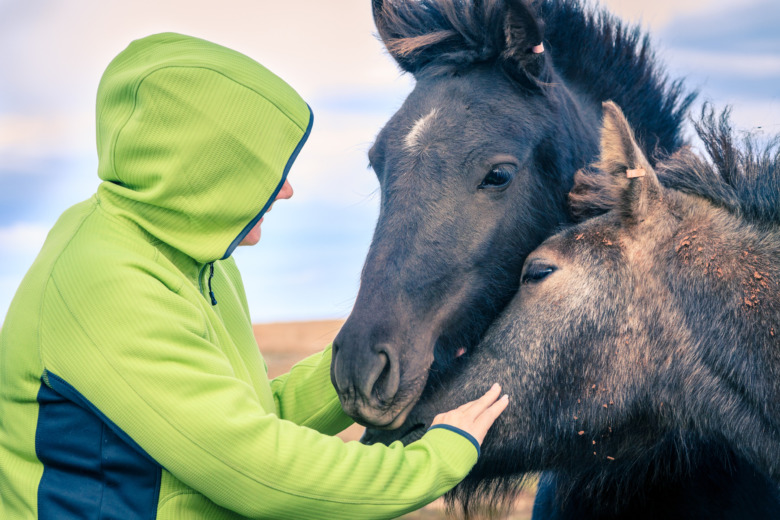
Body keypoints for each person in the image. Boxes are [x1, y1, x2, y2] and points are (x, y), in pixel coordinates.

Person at [0, 32, 508, 519]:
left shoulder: (198, 261)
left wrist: (383, 356)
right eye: (258, 170)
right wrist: (442, 454)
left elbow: (253, 417)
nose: (286, 190)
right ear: (201, 170)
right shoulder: (106, 282)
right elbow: (257, 471)